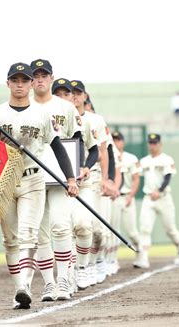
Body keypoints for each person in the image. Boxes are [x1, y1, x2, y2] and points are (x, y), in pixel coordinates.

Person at [0, 62, 79, 310]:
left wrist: (70, 178)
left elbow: (58, 147)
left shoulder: (41, 115)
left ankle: (25, 286)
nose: (20, 84)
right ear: (8, 83)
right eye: (15, 80)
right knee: (11, 238)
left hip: (32, 179)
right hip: (4, 181)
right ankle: (19, 287)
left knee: (29, 233)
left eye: (24, 80)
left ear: (29, 84)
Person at [27, 60, 85, 302]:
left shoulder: (65, 107)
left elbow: (76, 139)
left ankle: (63, 279)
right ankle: (49, 284)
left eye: (44, 75)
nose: (40, 79)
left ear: (51, 78)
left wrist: (76, 172)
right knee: (40, 233)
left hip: (60, 178)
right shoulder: (23, 107)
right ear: (31, 80)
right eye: (36, 75)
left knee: (61, 226)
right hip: (33, 179)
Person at [75, 83, 119, 285]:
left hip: (92, 176)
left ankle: (93, 262)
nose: (74, 97)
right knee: (74, 227)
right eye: (69, 93)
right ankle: (78, 268)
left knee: (98, 229)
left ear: (85, 96)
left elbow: (105, 151)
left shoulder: (96, 120)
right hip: (68, 178)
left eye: (77, 93)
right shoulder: (59, 117)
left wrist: (106, 179)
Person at [136, 133, 179, 268]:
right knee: (145, 228)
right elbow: (136, 176)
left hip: (164, 198)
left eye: (155, 143)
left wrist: (158, 191)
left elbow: (168, 178)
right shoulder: (144, 161)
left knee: (170, 229)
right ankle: (144, 258)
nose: (152, 145)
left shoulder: (167, 159)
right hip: (148, 198)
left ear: (160, 144)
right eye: (150, 143)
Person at [111, 131, 142, 269]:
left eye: (118, 140)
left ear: (123, 142)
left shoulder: (132, 158)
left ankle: (141, 254)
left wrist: (131, 195)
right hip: (114, 197)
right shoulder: (108, 157)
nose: (116, 143)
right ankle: (113, 260)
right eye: (114, 140)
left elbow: (136, 179)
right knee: (113, 230)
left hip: (127, 196)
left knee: (132, 231)